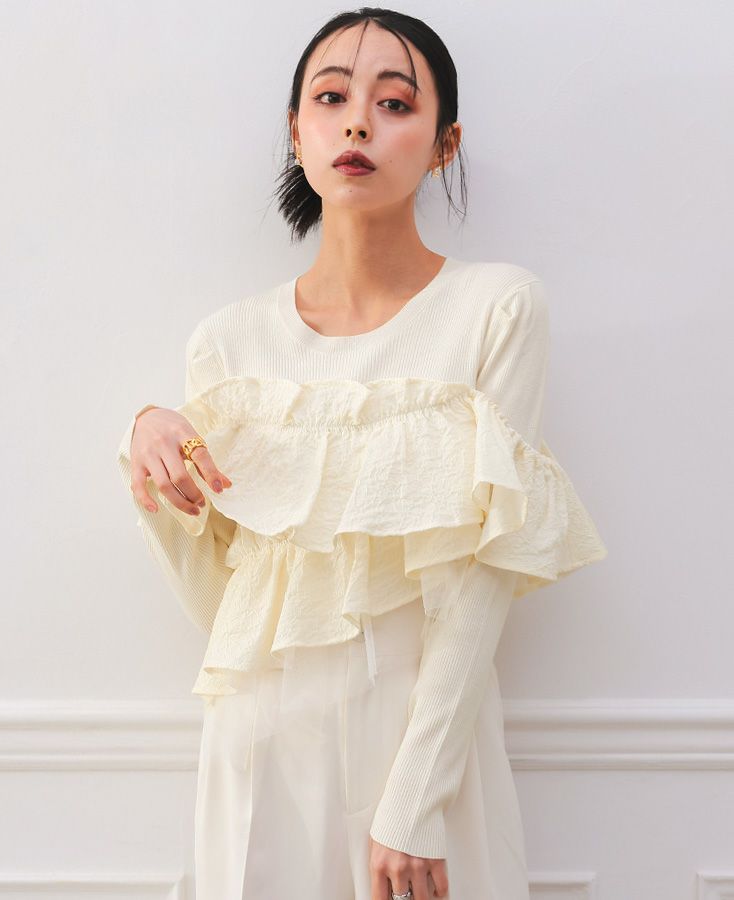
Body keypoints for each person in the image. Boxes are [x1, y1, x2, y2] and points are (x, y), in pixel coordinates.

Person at [116, 8, 608, 900]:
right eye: (332, 98)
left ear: (445, 144)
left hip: (423, 757)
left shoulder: (496, 309)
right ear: (294, 131)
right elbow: (221, 608)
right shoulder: (227, 344)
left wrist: (415, 798)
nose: (356, 126)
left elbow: (485, 573)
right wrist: (144, 442)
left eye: (394, 103)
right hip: (260, 749)